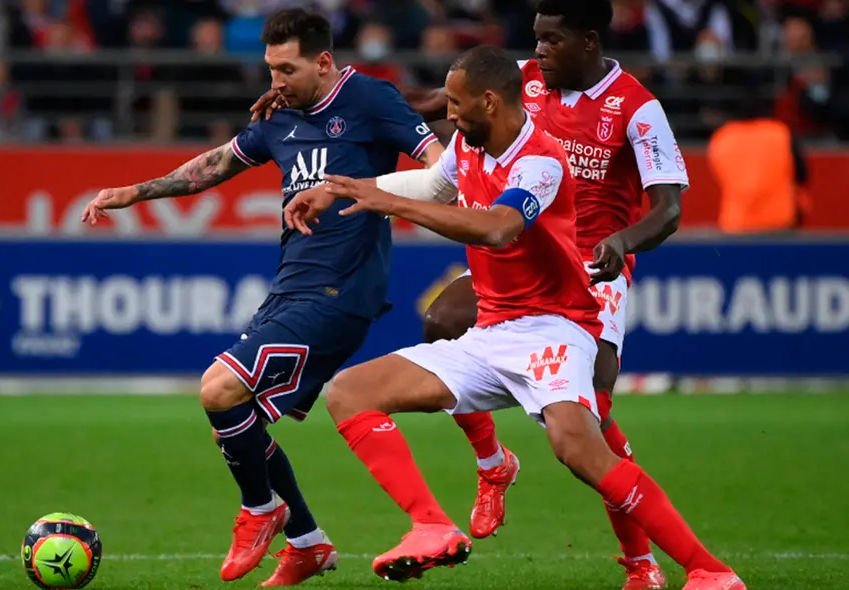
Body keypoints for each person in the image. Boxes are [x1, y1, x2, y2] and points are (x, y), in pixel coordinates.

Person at [283, 45, 745, 590]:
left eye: (455, 105)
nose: (447, 116)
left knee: (577, 447)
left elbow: (499, 227)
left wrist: (385, 203)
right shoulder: (470, 145)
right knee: (348, 392)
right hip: (491, 333)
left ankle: (708, 571)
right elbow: (434, 185)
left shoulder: (542, 162)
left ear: (489, 101)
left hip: (554, 327)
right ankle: (431, 525)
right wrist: (337, 189)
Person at [80, 8, 442, 586]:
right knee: (239, 417)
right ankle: (306, 542)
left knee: (218, 387)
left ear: (324, 61)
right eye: (270, 68)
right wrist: (136, 192)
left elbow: (441, 171)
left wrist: (357, 189)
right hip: (290, 288)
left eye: (287, 69)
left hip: (342, 290)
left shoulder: (370, 101)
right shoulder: (279, 117)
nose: (275, 81)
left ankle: (261, 509)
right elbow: (218, 163)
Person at [398, 3, 693, 587]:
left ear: (588, 41)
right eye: (535, 39)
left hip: (590, 270)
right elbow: (433, 103)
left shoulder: (637, 107)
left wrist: (623, 240)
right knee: (440, 323)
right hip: (517, 253)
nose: (538, 52)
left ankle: (641, 563)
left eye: (551, 41)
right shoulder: (522, 80)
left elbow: (669, 210)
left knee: (594, 418)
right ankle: (492, 465)